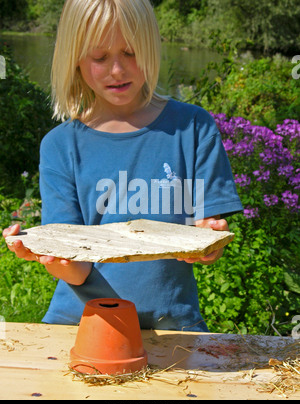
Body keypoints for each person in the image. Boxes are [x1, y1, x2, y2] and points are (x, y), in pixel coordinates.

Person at [3, 0, 243, 331]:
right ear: (74, 61)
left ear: (152, 49)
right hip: (78, 327)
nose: (118, 70)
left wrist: (206, 241)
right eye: (100, 58)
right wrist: (52, 258)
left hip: (171, 327)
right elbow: (78, 268)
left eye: (131, 52)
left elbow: (208, 232)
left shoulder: (193, 127)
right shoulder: (60, 145)